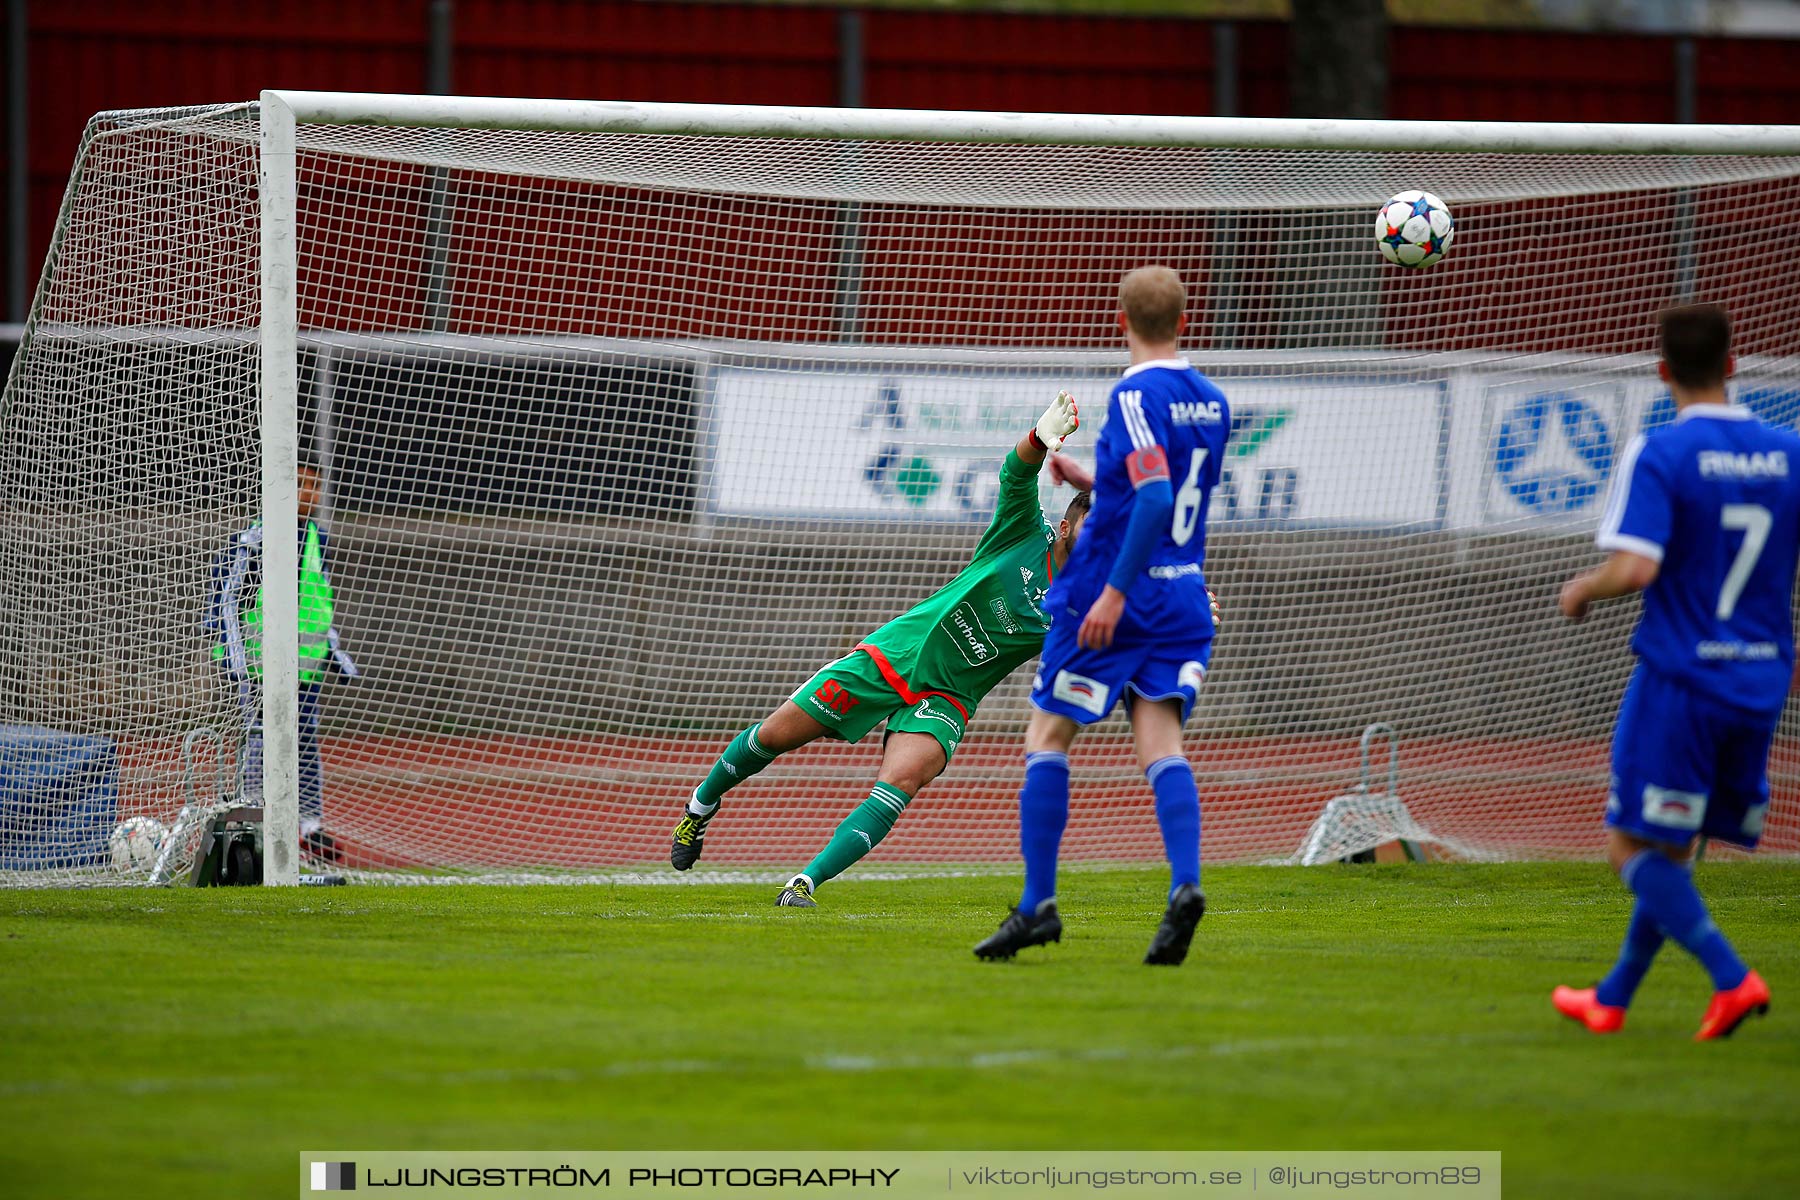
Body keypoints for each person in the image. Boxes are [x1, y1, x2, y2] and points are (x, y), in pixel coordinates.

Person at [671, 393, 1085, 905]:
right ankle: (698, 810)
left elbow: (1138, 624)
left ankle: (804, 883)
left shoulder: (1093, 602)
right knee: (774, 736)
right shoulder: (1025, 535)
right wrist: (1037, 440)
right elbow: (1015, 477)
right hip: (895, 656)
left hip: (950, 694)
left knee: (903, 778)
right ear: (1065, 527)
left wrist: (1186, 605)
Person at [975, 266, 1229, 966]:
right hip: (1184, 594)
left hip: (1121, 596)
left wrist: (1114, 594)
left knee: (1048, 736)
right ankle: (1185, 886)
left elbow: (1150, 499)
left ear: (1123, 320)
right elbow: (1169, 491)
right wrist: (1091, 480)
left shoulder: (1133, 393)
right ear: (1184, 320)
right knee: (1161, 747)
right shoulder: (1212, 400)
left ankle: (1036, 907)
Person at [1554, 303, 1786, 1040]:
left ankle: (1732, 977)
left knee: (1629, 844)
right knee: (1675, 846)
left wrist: (1582, 589)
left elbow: (1638, 565)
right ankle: (1614, 996)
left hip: (1683, 679)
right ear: (1733, 363)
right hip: (1759, 680)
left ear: (1662, 373)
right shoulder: (1789, 452)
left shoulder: (1660, 452)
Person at [204, 462, 359, 861]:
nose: (310, 493)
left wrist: (334, 650)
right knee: (260, 741)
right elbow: (225, 598)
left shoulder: (316, 539)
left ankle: (310, 825)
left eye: (315, 485)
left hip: (305, 666)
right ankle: (250, 823)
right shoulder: (255, 539)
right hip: (259, 667)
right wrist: (235, 657)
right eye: (301, 484)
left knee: (304, 741)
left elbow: (317, 599)